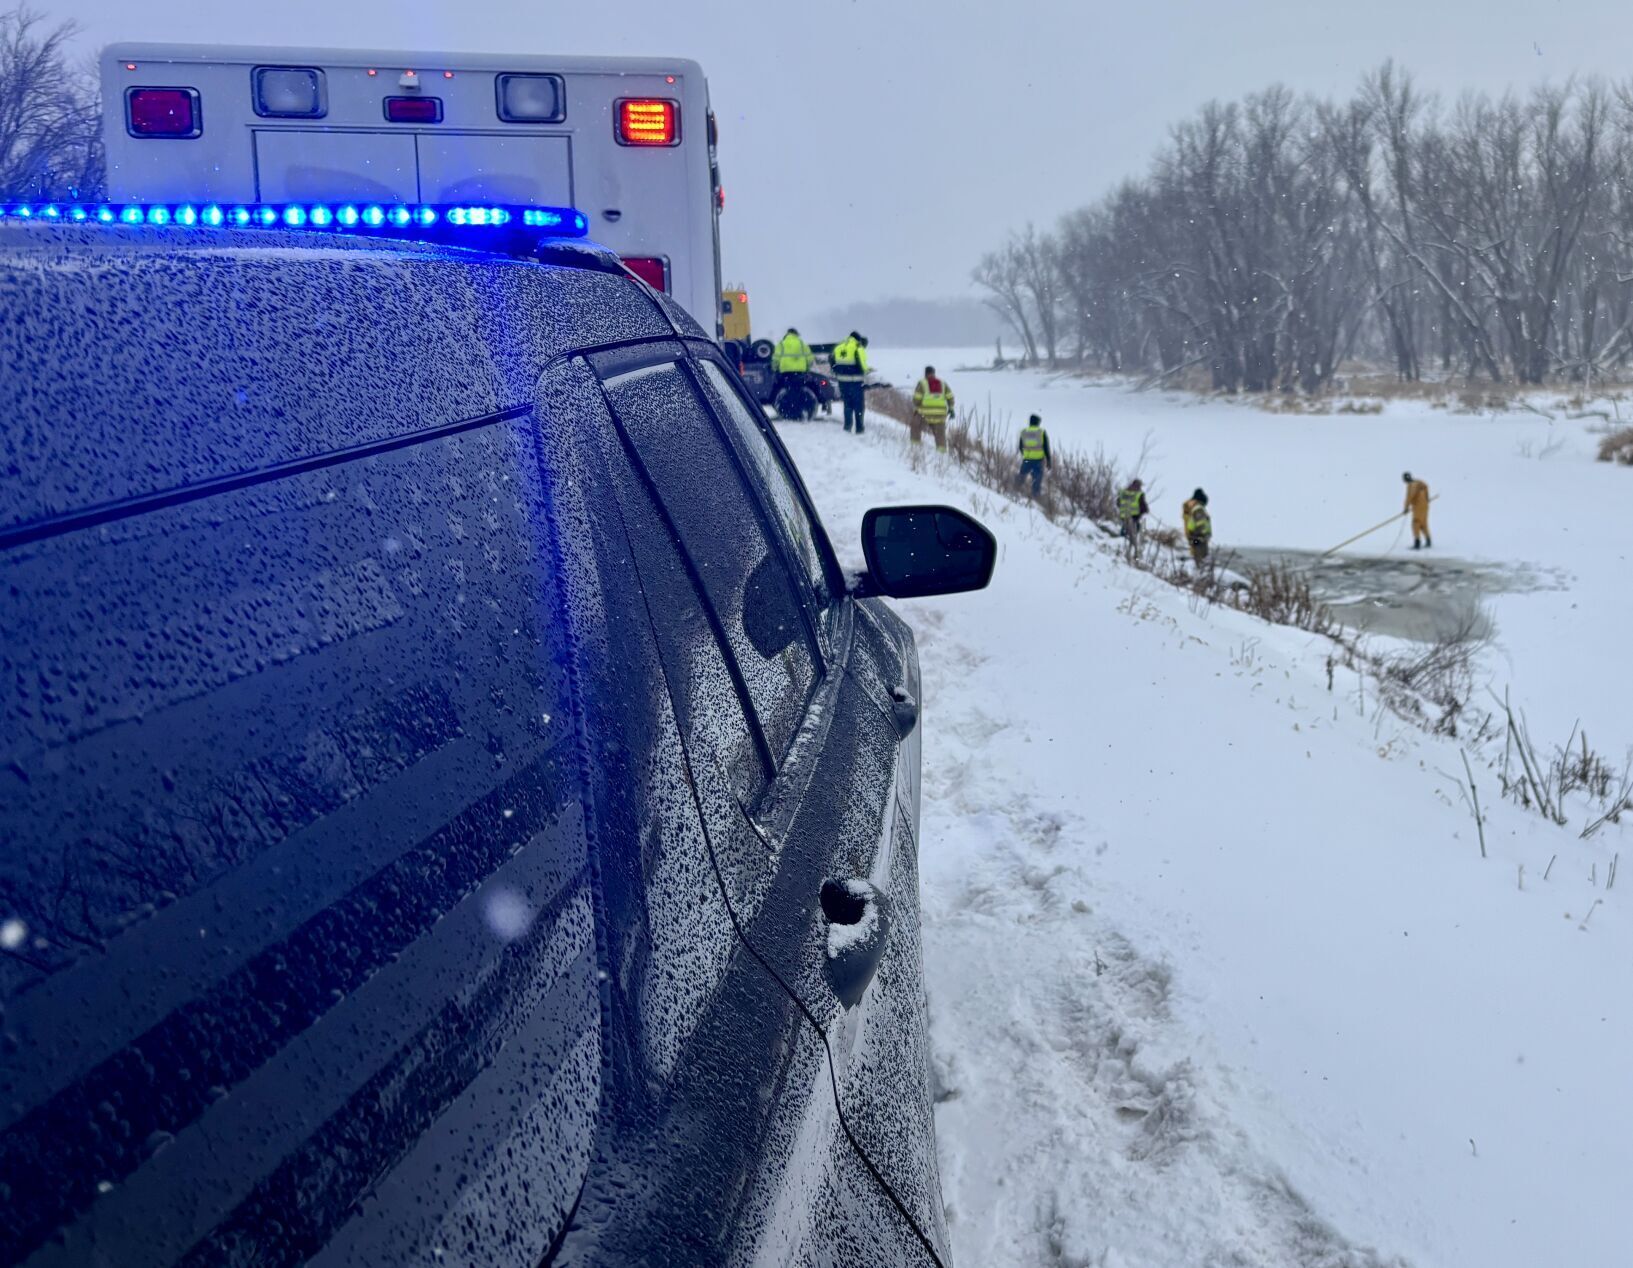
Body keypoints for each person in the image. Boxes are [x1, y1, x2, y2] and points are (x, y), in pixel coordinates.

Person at [831, 330, 869, 433]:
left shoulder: (839, 347)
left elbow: (832, 360)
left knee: (847, 405)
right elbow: (863, 365)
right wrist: (867, 370)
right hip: (855, 382)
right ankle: (859, 429)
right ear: (858, 339)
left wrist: (837, 372)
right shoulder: (857, 347)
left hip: (842, 382)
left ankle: (847, 426)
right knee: (858, 406)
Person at [911, 365, 955, 449]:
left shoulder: (922, 383)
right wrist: (951, 409)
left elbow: (916, 400)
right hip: (940, 414)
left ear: (925, 374)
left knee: (915, 426)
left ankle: (915, 446)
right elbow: (950, 396)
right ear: (934, 373)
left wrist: (917, 407)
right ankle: (941, 453)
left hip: (925, 413)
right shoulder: (943, 383)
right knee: (940, 434)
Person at [772, 327, 812, 405]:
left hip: (786, 372)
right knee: (798, 389)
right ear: (796, 334)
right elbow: (809, 359)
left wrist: (775, 369)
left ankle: (790, 406)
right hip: (800, 371)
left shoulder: (782, 344)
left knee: (788, 389)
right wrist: (807, 369)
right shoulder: (801, 343)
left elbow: (776, 359)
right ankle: (799, 406)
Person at [1016, 414, 1051, 496]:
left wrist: (1025, 455)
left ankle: (1013, 491)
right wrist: (1049, 461)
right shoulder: (1041, 432)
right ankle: (1035, 498)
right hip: (1038, 461)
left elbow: (1020, 446)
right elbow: (1046, 447)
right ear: (1037, 422)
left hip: (1027, 460)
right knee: (1036, 481)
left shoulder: (1024, 432)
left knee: (1021, 478)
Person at [1117, 477, 1149, 556]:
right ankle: (1131, 546)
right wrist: (1146, 510)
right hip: (1134, 515)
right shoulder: (1139, 494)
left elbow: (1118, 503)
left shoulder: (1124, 492)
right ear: (1138, 485)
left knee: (1125, 527)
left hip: (1124, 514)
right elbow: (1143, 506)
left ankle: (1122, 538)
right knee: (1136, 528)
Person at [1182, 488, 1212, 566]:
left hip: (1194, 537)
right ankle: (1202, 575)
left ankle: (1198, 573)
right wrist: (1202, 536)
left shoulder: (1191, 508)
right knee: (1202, 559)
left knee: (1197, 557)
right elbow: (1200, 523)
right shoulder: (1199, 509)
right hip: (1200, 538)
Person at [1402, 471, 1432, 549]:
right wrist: (1427, 499)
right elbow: (1426, 488)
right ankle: (1428, 540)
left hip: (1418, 507)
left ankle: (1417, 543)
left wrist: (1406, 508)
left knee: (1415, 523)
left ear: (1405, 479)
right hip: (1425, 506)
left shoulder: (1411, 486)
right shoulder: (1420, 482)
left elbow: (1409, 497)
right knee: (1423, 524)